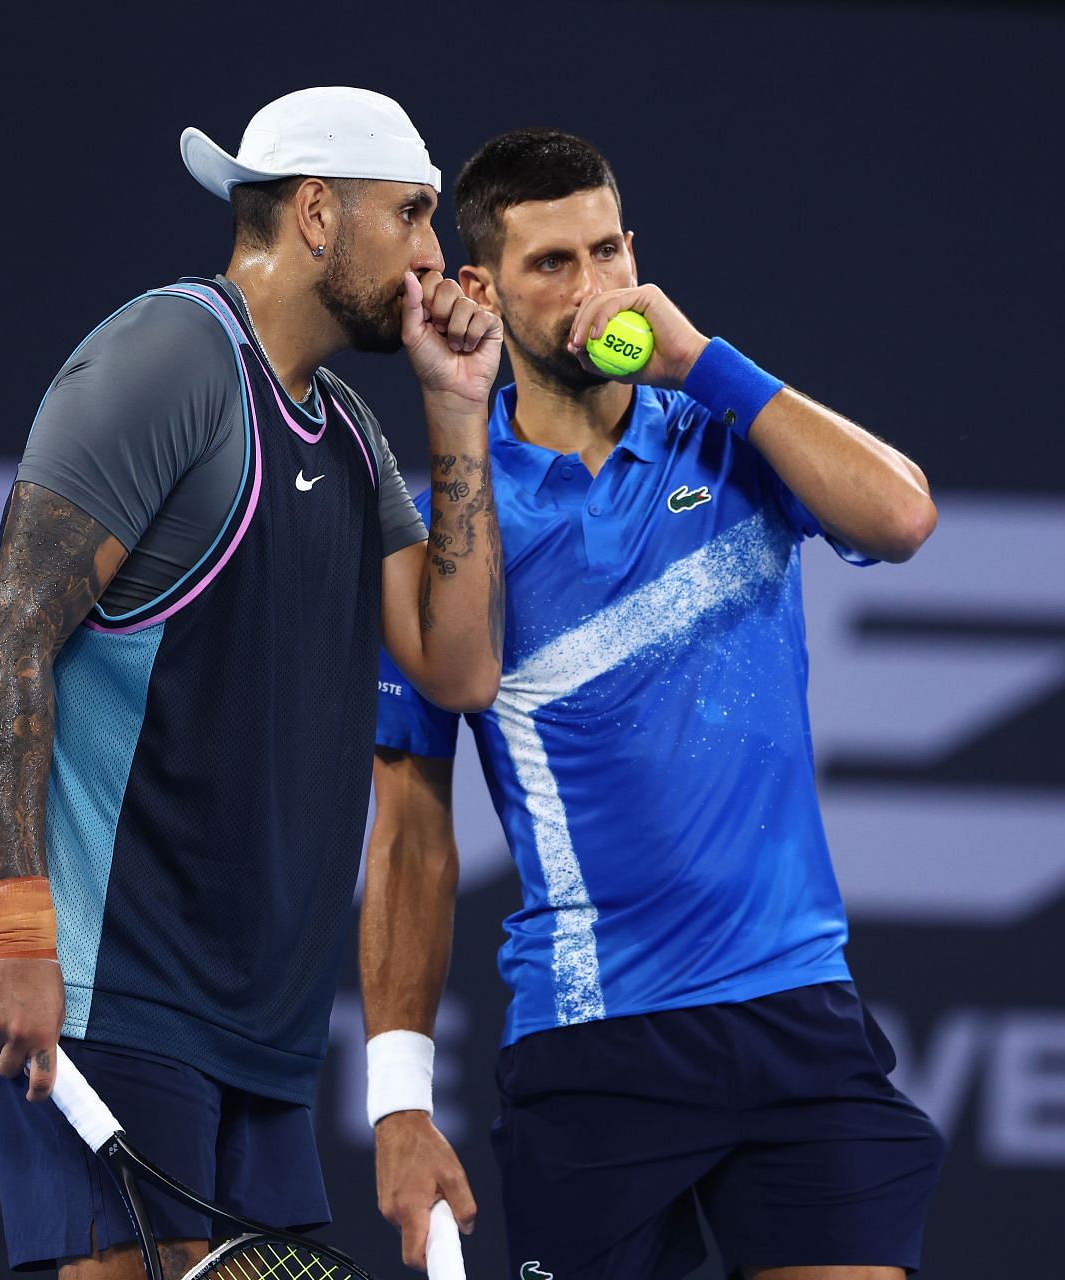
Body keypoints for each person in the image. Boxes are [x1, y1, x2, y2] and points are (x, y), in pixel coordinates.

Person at [0, 87, 506, 1278]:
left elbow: (460, 663)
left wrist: (455, 407)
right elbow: (7, 639)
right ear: (319, 214)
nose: (439, 256)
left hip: (262, 1025)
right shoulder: (168, 355)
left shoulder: (348, 432)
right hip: (111, 985)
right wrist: (19, 926)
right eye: (414, 214)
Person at [360, 128, 946, 1280]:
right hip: (595, 1043)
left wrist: (709, 363)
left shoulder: (733, 436)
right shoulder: (447, 523)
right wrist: (397, 1100)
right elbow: (414, 834)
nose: (593, 290)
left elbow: (904, 515)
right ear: (479, 289)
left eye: (609, 250)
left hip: (797, 1015)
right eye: (551, 265)